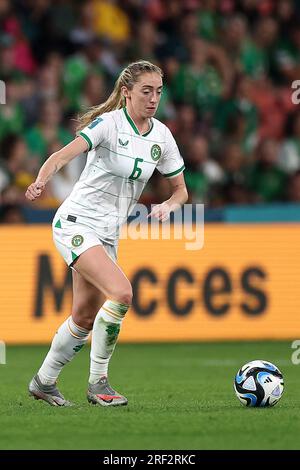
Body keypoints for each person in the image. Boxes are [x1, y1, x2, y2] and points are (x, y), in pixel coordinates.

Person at [25, 60, 188, 407]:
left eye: (158, 91)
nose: (153, 98)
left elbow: (181, 190)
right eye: (146, 91)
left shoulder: (161, 135)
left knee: (83, 316)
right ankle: (99, 382)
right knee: (122, 293)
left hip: (108, 234)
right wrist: (41, 180)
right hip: (76, 222)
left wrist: (168, 206)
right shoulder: (109, 125)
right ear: (127, 93)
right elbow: (62, 155)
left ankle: (44, 381)